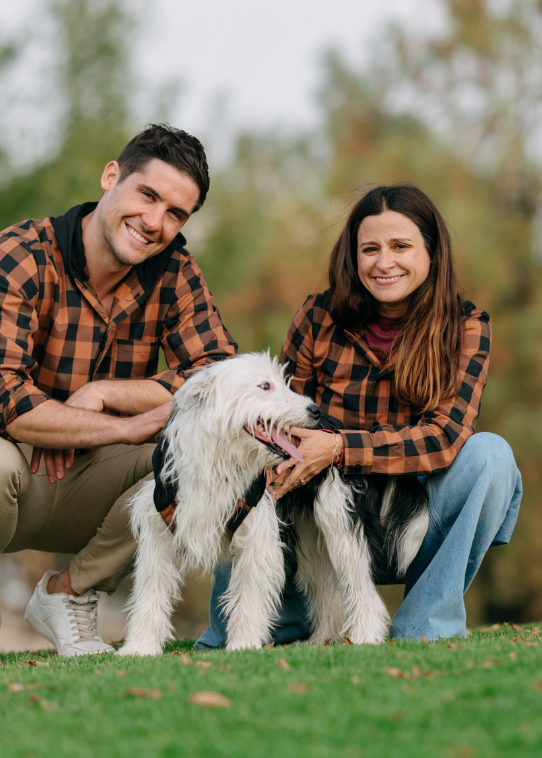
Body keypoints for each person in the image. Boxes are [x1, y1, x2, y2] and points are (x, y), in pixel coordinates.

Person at [0, 125, 236, 667]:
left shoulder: (175, 271)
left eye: (176, 214)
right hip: (6, 471)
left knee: (204, 452)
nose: (156, 223)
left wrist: (107, 393)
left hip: (95, 484)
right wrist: (123, 426)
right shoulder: (19, 255)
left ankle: (71, 594)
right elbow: (0, 399)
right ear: (112, 177)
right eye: (148, 196)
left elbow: (218, 375)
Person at [196, 183, 521, 646]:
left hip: (411, 518)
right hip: (318, 516)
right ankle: (276, 620)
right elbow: (283, 422)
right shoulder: (318, 316)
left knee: (491, 455)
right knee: (250, 453)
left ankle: (427, 628)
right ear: (353, 256)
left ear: (432, 252)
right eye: (369, 249)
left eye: (400, 246)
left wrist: (340, 447)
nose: (383, 262)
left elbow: (444, 437)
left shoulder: (467, 326)